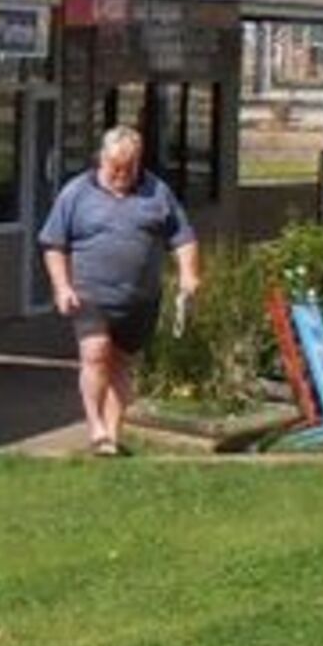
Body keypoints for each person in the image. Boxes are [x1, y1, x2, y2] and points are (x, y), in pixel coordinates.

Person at [37, 125, 201, 457]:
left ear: (139, 162)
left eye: (129, 168)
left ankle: (112, 437)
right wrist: (62, 286)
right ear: (102, 159)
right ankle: (96, 428)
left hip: (139, 299)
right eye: (115, 167)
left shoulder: (157, 193)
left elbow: (183, 238)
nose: (121, 175)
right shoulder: (76, 193)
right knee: (95, 353)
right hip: (90, 295)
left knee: (121, 364)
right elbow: (54, 244)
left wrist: (189, 274)